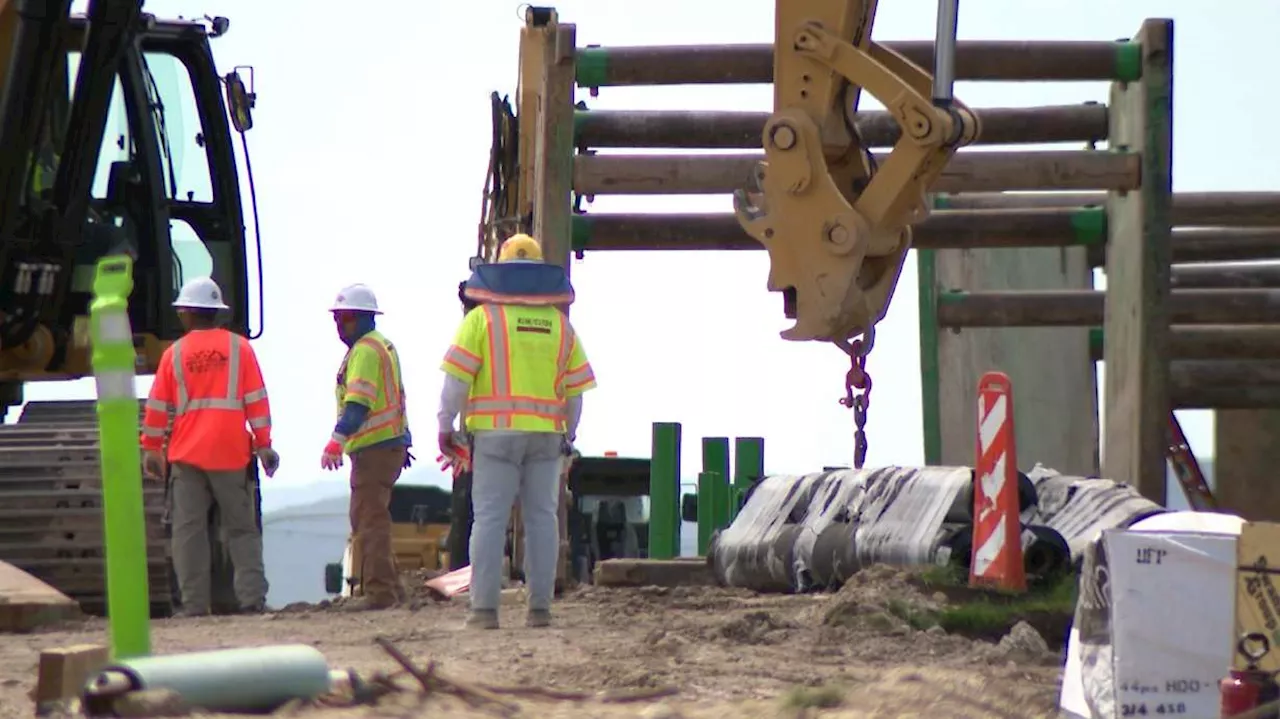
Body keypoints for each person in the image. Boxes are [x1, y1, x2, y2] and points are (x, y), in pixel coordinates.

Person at [438, 233, 596, 629]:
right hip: (546, 439)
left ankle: (484, 612)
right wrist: (568, 439)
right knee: (543, 519)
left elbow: (456, 383)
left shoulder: (481, 320)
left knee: (489, 520)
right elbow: (575, 395)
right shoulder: (561, 326)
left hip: (494, 439)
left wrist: (445, 426)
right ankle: (539, 609)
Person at [140, 276, 278, 617]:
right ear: (216, 313)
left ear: (186, 313)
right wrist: (264, 445)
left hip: (187, 455)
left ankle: (194, 605)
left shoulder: (174, 354)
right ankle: (251, 600)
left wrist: (151, 449)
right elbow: (256, 400)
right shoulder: (240, 348)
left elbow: (157, 406)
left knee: (189, 532)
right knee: (242, 530)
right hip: (231, 453)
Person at [320, 283, 413, 611]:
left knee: (368, 519)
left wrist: (336, 440)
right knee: (373, 517)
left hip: (375, 447)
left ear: (361, 319)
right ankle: (391, 588)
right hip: (386, 445)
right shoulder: (380, 346)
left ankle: (380, 593)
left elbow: (359, 404)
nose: (338, 327)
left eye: (343, 319)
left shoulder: (365, 351)